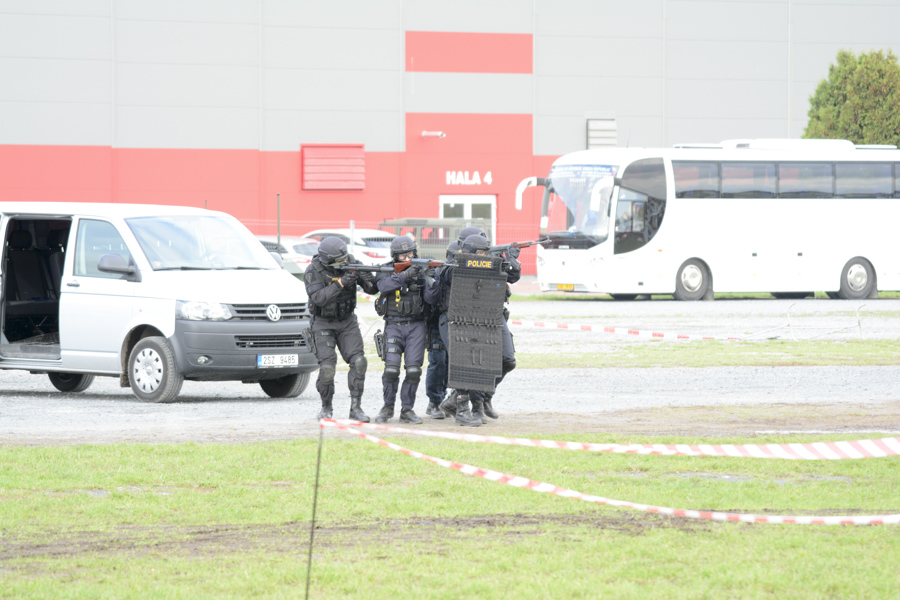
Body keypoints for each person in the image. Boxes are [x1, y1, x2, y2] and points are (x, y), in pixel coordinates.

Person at [303, 236, 379, 421]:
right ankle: (326, 408)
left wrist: (366, 277)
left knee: (359, 361)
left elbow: (372, 290)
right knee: (327, 368)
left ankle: (356, 408)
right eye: (340, 260)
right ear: (328, 260)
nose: (345, 261)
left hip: (347, 321)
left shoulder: (351, 262)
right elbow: (319, 298)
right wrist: (342, 283)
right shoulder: (313, 270)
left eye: (345, 258)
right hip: (323, 322)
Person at [372, 235, 435, 424]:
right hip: (393, 325)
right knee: (391, 370)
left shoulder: (422, 270)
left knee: (414, 370)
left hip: (416, 326)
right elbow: (382, 286)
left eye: (410, 254)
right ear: (395, 256)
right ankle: (387, 407)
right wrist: (406, 275)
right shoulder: (387, 269)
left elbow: (431, 299)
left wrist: (430, 278)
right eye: (402, 256)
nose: (407, 258)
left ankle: (407, 410)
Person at [423, 239, 460, 418]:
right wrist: (431, 278)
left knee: (454, 363)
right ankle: (434, 402)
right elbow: (430, 298)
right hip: (437, 320)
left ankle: (453, 401)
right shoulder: (440, 271)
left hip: (457, 321)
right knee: (438, 361)